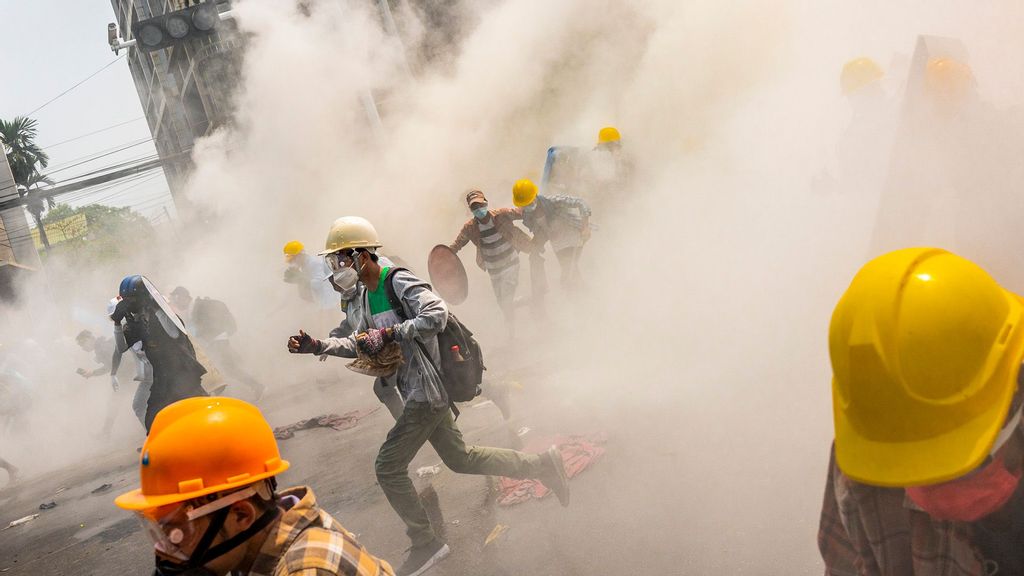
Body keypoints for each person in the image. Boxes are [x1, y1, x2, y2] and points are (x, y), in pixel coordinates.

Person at [288, 216, 570, 576]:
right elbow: (360, 341)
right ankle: (543, 465)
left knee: (388, 467)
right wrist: (317, 345)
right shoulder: (359, 297)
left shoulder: (396, 281)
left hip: (428, 390)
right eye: (333, 261)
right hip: (414, 389)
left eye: (340, 259)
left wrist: (391, 333)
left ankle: (427, 542)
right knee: (461, 459)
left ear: (362, 255)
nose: (336, 268)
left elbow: (436, 313)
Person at [819, 247, 1024, 575]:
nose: (934, 501)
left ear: (1016, 392)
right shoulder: (868, 454)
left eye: (957, 464)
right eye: (907, 472)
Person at [114, 396, 394, 575]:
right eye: (161, 531)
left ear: (241, 515)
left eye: (178, 532)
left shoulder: (307, 569)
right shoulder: (256, 548)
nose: (163, 552)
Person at [111, 275, 208, 432]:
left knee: (197, 412)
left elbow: (174, 334)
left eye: (132, 299)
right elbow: (122, 347)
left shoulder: (164, 314)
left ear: (144, 298)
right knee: (153, 423)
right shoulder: (137, 322)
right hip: (162, 379)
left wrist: (157, 308)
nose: (129, 304)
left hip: (183, 373)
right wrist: (117, 323)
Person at [449, 190, 533, 336]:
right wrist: (444, 257)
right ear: (471, 210)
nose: (478, 210)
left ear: (485, 203)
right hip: (494, 270)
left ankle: (513, 330)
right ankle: (522, 311)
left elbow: (522, 213)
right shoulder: (470, 227)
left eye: (480, 205)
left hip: (510, 263)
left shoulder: (502, 214)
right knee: (502, 302)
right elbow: (457, 244)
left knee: (506, 299)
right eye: (474, 208)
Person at [169, 286, 265, 401]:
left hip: (217, 340)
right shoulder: (194, 307)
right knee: (228, 369)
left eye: (177, 299)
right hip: (215, 342)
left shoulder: (200, 305)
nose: (176, 303)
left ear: (184, 297)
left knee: (225, 370)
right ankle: (254, 387)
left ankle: (254, 387)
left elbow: (210, 324)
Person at [513, 178, 592, 292]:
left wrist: (585, 227)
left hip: (573, 237)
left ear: (535, 196)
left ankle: (581, 296)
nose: (528, 206)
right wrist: (536, 244)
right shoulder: (528, 217)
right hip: (558, 245)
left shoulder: (553, 201)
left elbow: (581, 203)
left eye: (530, 202)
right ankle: (584, 296)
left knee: (568, 269)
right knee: (571, 273)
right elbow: (542, 232)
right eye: (525, 205)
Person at [75, 324, 152, 433]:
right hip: (130, 375)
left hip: (129, 376)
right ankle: (106, 432)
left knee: (124, 404)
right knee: (118, 404)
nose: (82, 348)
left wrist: (93, 373)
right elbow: (112, 364)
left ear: (88, 339)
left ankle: (152, 430)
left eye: (82, 344)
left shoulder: (101, 347)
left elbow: (115, 363)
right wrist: (92, 373)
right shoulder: (101, 345)